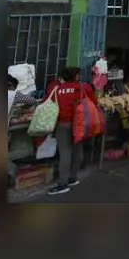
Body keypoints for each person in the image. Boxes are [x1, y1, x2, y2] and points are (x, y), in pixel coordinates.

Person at [44, 67, 98, 196]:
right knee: (78, 148)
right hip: (80, 123)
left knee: (65, 152)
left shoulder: (56, 89)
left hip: (62, 123)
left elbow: (47, 104)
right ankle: (72, 178)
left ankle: (63, 183)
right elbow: (94, 102)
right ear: (77, 76)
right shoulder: (84, 87)